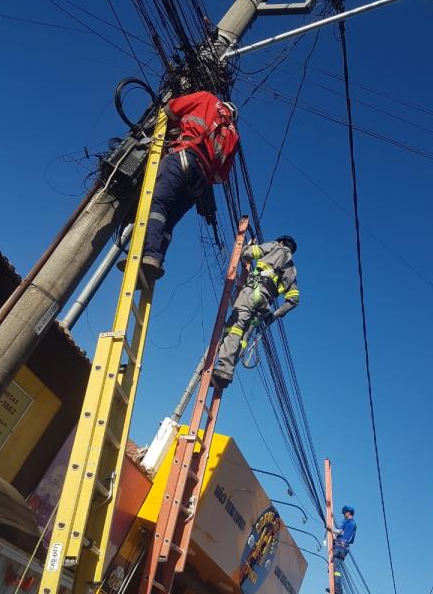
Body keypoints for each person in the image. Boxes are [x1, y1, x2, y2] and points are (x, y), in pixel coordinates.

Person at [120, 91, 239, 281]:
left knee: (158, 204)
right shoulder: (234, 136)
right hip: (200, 180)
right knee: (169, 220)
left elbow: (171, 109)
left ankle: (148, 254)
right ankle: (156, 259)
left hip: (184, 156)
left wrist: (178, 130)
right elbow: (221, 176)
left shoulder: (207, 98)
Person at [212, 235, 300, 388]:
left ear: (281, 242)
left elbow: (249, 253)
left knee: (235, 327)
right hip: (264, 305)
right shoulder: (292, 270)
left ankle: (224, 368)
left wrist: (246, 248)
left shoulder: (275, 246)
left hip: (253, 292)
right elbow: (293, 300)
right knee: (244, 337)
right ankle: (229, 370)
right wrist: (274, 315)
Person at [331, 505, 357, 594]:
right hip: (344, 549)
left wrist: (329, 528)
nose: (344, 515)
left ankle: (337, 587)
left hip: (340, 547)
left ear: (348, 513)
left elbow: (339, 532)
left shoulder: (347, 522)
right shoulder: (354, 525)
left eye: (345, 513)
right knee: (335, 566)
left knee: (336, 567)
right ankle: (335, 586)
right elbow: (352, 540)